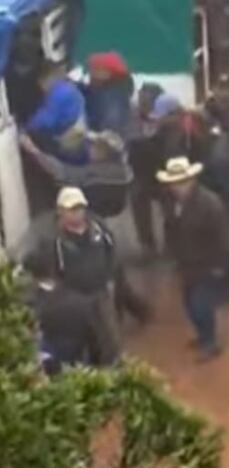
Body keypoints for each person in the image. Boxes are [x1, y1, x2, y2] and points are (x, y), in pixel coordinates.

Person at [157, 157, 229, 362]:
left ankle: (210, 343)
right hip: (187, 264)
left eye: (182, 182)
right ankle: (203, 336)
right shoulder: (172, 204)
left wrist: (220, 266)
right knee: (189, 304)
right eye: (174, 183)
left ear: (191, 180)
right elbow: (171, 231)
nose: (178, 187)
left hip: (208, 264)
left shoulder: (210, 204)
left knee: (201, 305)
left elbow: (224, 237)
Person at [51, 186, 120, 365]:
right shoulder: (55, 240)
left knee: (110, 336)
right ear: (61, 211)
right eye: (71, 209)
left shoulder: (99, 228)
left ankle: (114, 369)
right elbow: (54, 270)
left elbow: (111, 252)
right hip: (75, 298)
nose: (77, 213)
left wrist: (110, 278)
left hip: (101, 291)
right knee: (83, 339)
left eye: (80, 208)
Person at [23, 241, 105, 375]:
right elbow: (97, 345)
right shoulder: (81, 301)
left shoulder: (29, 308)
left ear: (31, 275)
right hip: (81, 369)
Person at [21, 130, 133, 219]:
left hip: (83, 207)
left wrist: (33, 150)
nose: (90, 148)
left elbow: (61, 172)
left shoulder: (93, 172)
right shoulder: (123, 170)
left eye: (94, 146)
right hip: (112, 206)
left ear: (103, 152)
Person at [127, 82, 166, 258]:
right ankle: (147, 244)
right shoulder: (131, 116)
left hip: (163, 169)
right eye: (143, 100)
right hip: (141, 170)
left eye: (149, 101)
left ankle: (174, 241)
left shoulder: (165, 117)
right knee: (137, 195)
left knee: (172, 198)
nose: (145, 104)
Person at [27, 62, 87, 164]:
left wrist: (24, 129)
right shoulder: (69, 88)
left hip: (70, 144)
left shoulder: (59, 93)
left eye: (41, 83)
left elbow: (45, 120)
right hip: (77, 138)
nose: (41, 88)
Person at [82, 51, 134, 137]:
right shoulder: (98, 92)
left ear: (109, 73)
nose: (91, 73)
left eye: (96, 68)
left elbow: (111, 128)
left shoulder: (113, 98)